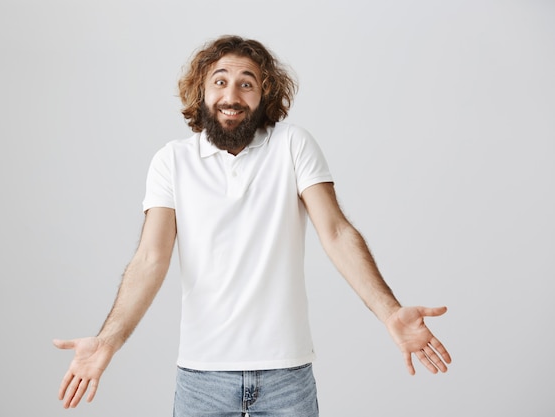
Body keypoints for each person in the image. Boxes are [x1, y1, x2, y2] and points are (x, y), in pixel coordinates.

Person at [54, 35, 451, 416]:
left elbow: (336, 232)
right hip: (201, 376)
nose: (231, 95)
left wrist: (390, 311)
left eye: (247, 84)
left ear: (264, 95)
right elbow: (150, 258)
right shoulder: (171, 161)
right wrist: (108, 340)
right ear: (202, 92)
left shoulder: (293, 145)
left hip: (286, 374)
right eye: (220, 81)